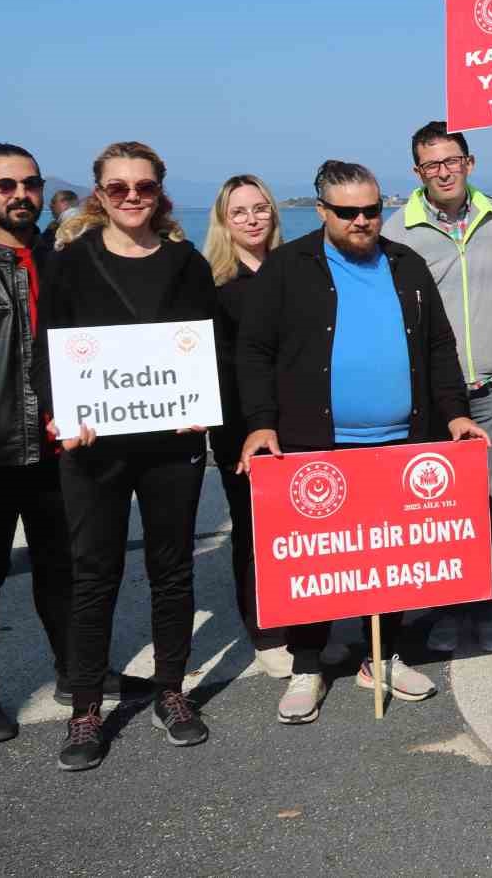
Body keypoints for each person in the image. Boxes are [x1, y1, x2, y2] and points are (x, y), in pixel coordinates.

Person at [238, 160, 486, 725]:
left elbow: (439, 346)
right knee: (319, 562)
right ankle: (308, 664)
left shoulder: (406, 263)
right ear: (321, 211)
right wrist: (261, 422)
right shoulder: (287, 267)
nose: (362, 221)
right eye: (347, 212)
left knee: (389, 561)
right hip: (315, 444)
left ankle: (383, 655)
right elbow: (254, 351)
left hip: (399, 441)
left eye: (371, 210)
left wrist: (455, 415)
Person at [35, 141, 217, 771]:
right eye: (118, 188)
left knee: (173, 570)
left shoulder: (187, 262)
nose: (132, 197)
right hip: (94, 448)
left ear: (160, 192)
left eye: (144, 187)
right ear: (100, 194)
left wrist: (203, 400)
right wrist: (60, 413)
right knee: (94, 575)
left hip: (172, 443)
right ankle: (86, 706)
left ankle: (172, 689)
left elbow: (207, 346)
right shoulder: (70, 263)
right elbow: (47, 348)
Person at [382, 121, 492, 655]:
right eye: (431, 164)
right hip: (433, 396)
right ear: (417, 172)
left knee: (491, 503)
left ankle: (486, 607)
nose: (443, 172)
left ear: (469, 163)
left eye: (451, 161)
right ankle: (445, 610)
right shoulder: (397, 232)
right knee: (437, 510)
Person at [0, 144, 72, 743]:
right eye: (5, 185)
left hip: (59, 448)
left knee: (66, 569)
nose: (21, 194)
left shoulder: (59, 258)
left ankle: (78, 672)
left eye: (30, 183)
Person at [203, 174, 289, 678]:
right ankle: (265, 631)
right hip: (238, 424)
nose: (252, 219)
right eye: (239, 211)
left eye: (260, 208)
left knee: (299, 524)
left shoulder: (295, 269)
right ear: (223, 221)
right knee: (253, 530)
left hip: (296, 418)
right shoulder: (211, 284)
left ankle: (304, 617)